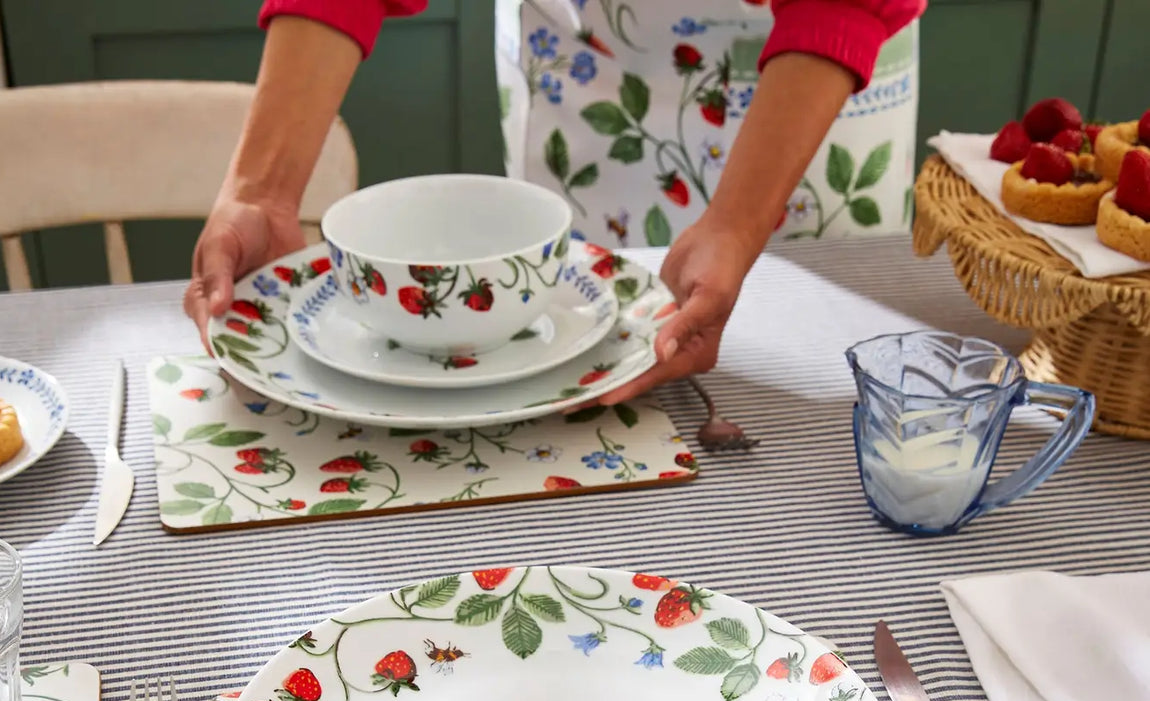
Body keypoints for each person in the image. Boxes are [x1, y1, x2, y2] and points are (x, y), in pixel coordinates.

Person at [185, 0, 925, 404]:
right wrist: (261, 191)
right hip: (584, 54)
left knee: (797, 390)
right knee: (581, 345)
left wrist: (737, 221)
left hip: (810, 58)